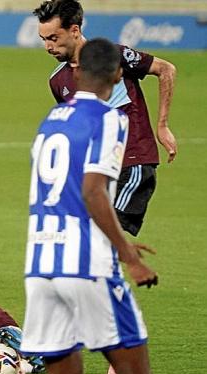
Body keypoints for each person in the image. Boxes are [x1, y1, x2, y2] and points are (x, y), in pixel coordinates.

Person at [20, 38, 159, 374]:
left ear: (76, 72)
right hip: (86, 266)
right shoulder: (110, 119)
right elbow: (93, 192)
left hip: (40, 267)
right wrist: (129, 254)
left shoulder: (51, 119)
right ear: (116, 74)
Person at [33, 0, 177, 237]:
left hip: (132, 162)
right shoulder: (58, 81)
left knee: (101, 235)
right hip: (97, 170)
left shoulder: (114, 56)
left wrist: (162, 126)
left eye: (53, 38)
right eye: (43, 39)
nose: (48, 46)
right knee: (91, 239)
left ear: (75, 30)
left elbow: (166, 69)